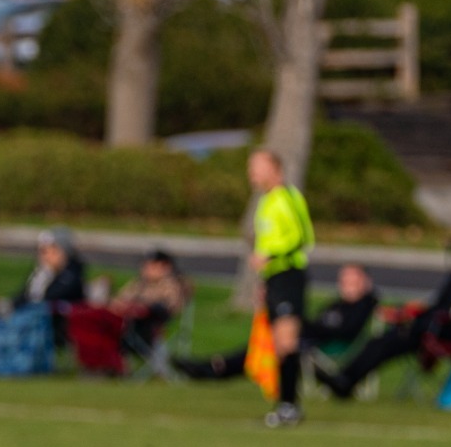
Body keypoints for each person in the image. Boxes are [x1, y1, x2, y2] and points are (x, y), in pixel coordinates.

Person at [319, 241, 451, 399]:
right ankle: (345, 379)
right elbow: (437, 306)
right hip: (427, 328)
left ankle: (346, 381)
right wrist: (406, 312)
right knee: (380, 341)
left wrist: (425, 319)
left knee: (388, 342)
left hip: (448, 335)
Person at [176, 263, 376, 381]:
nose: (346, 285)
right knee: (267, 341)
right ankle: (216, 366)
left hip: (319, 345)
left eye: (352, 281)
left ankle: (217, 367)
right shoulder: (337, 304)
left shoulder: (364, 304)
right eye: (344, 280)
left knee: (275, 341)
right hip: (307, 337)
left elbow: (344, 330)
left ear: (365, 282)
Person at [248, 149, 314, 427]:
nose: (251, 173)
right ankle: (285, 403)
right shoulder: (266, 201)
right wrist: (264, 280)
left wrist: (271, 255)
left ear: (275, 169)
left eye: (257, 167)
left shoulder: (286, 197)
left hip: (289, 275)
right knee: (278, 343)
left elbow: (302, 237)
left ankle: (290, 406)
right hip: (275, 278)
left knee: (287, 341)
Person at [108, 250, 191, 354]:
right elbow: (120, 299)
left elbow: (169, 307)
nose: (145, 268)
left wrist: (139, 306)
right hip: (126, 323)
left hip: (145, 328)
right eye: (145, 264)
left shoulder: (172, 286)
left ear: (166, 267)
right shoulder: (140, 283)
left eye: (152, 265)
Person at [10, 227, 87, 311]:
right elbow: (23, 297)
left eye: (51, 251)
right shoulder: (43, 272)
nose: (45, 256)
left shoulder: (70, 277)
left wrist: (44, 277)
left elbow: (43, 300)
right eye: (42, 251)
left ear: (64, 253)